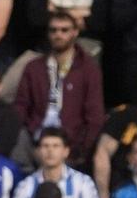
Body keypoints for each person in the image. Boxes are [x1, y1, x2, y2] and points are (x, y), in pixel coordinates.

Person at [13, 14, 104, 169]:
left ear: (75, 32)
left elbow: (95, 115)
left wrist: (80, 151)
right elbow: (21, 105)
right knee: (17, 135)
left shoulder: (88, 69)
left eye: (64, 30)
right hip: (36, 138)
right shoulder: (34, 67)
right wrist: (29, 129)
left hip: (70, 144)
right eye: (53, 30)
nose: (58, 34)